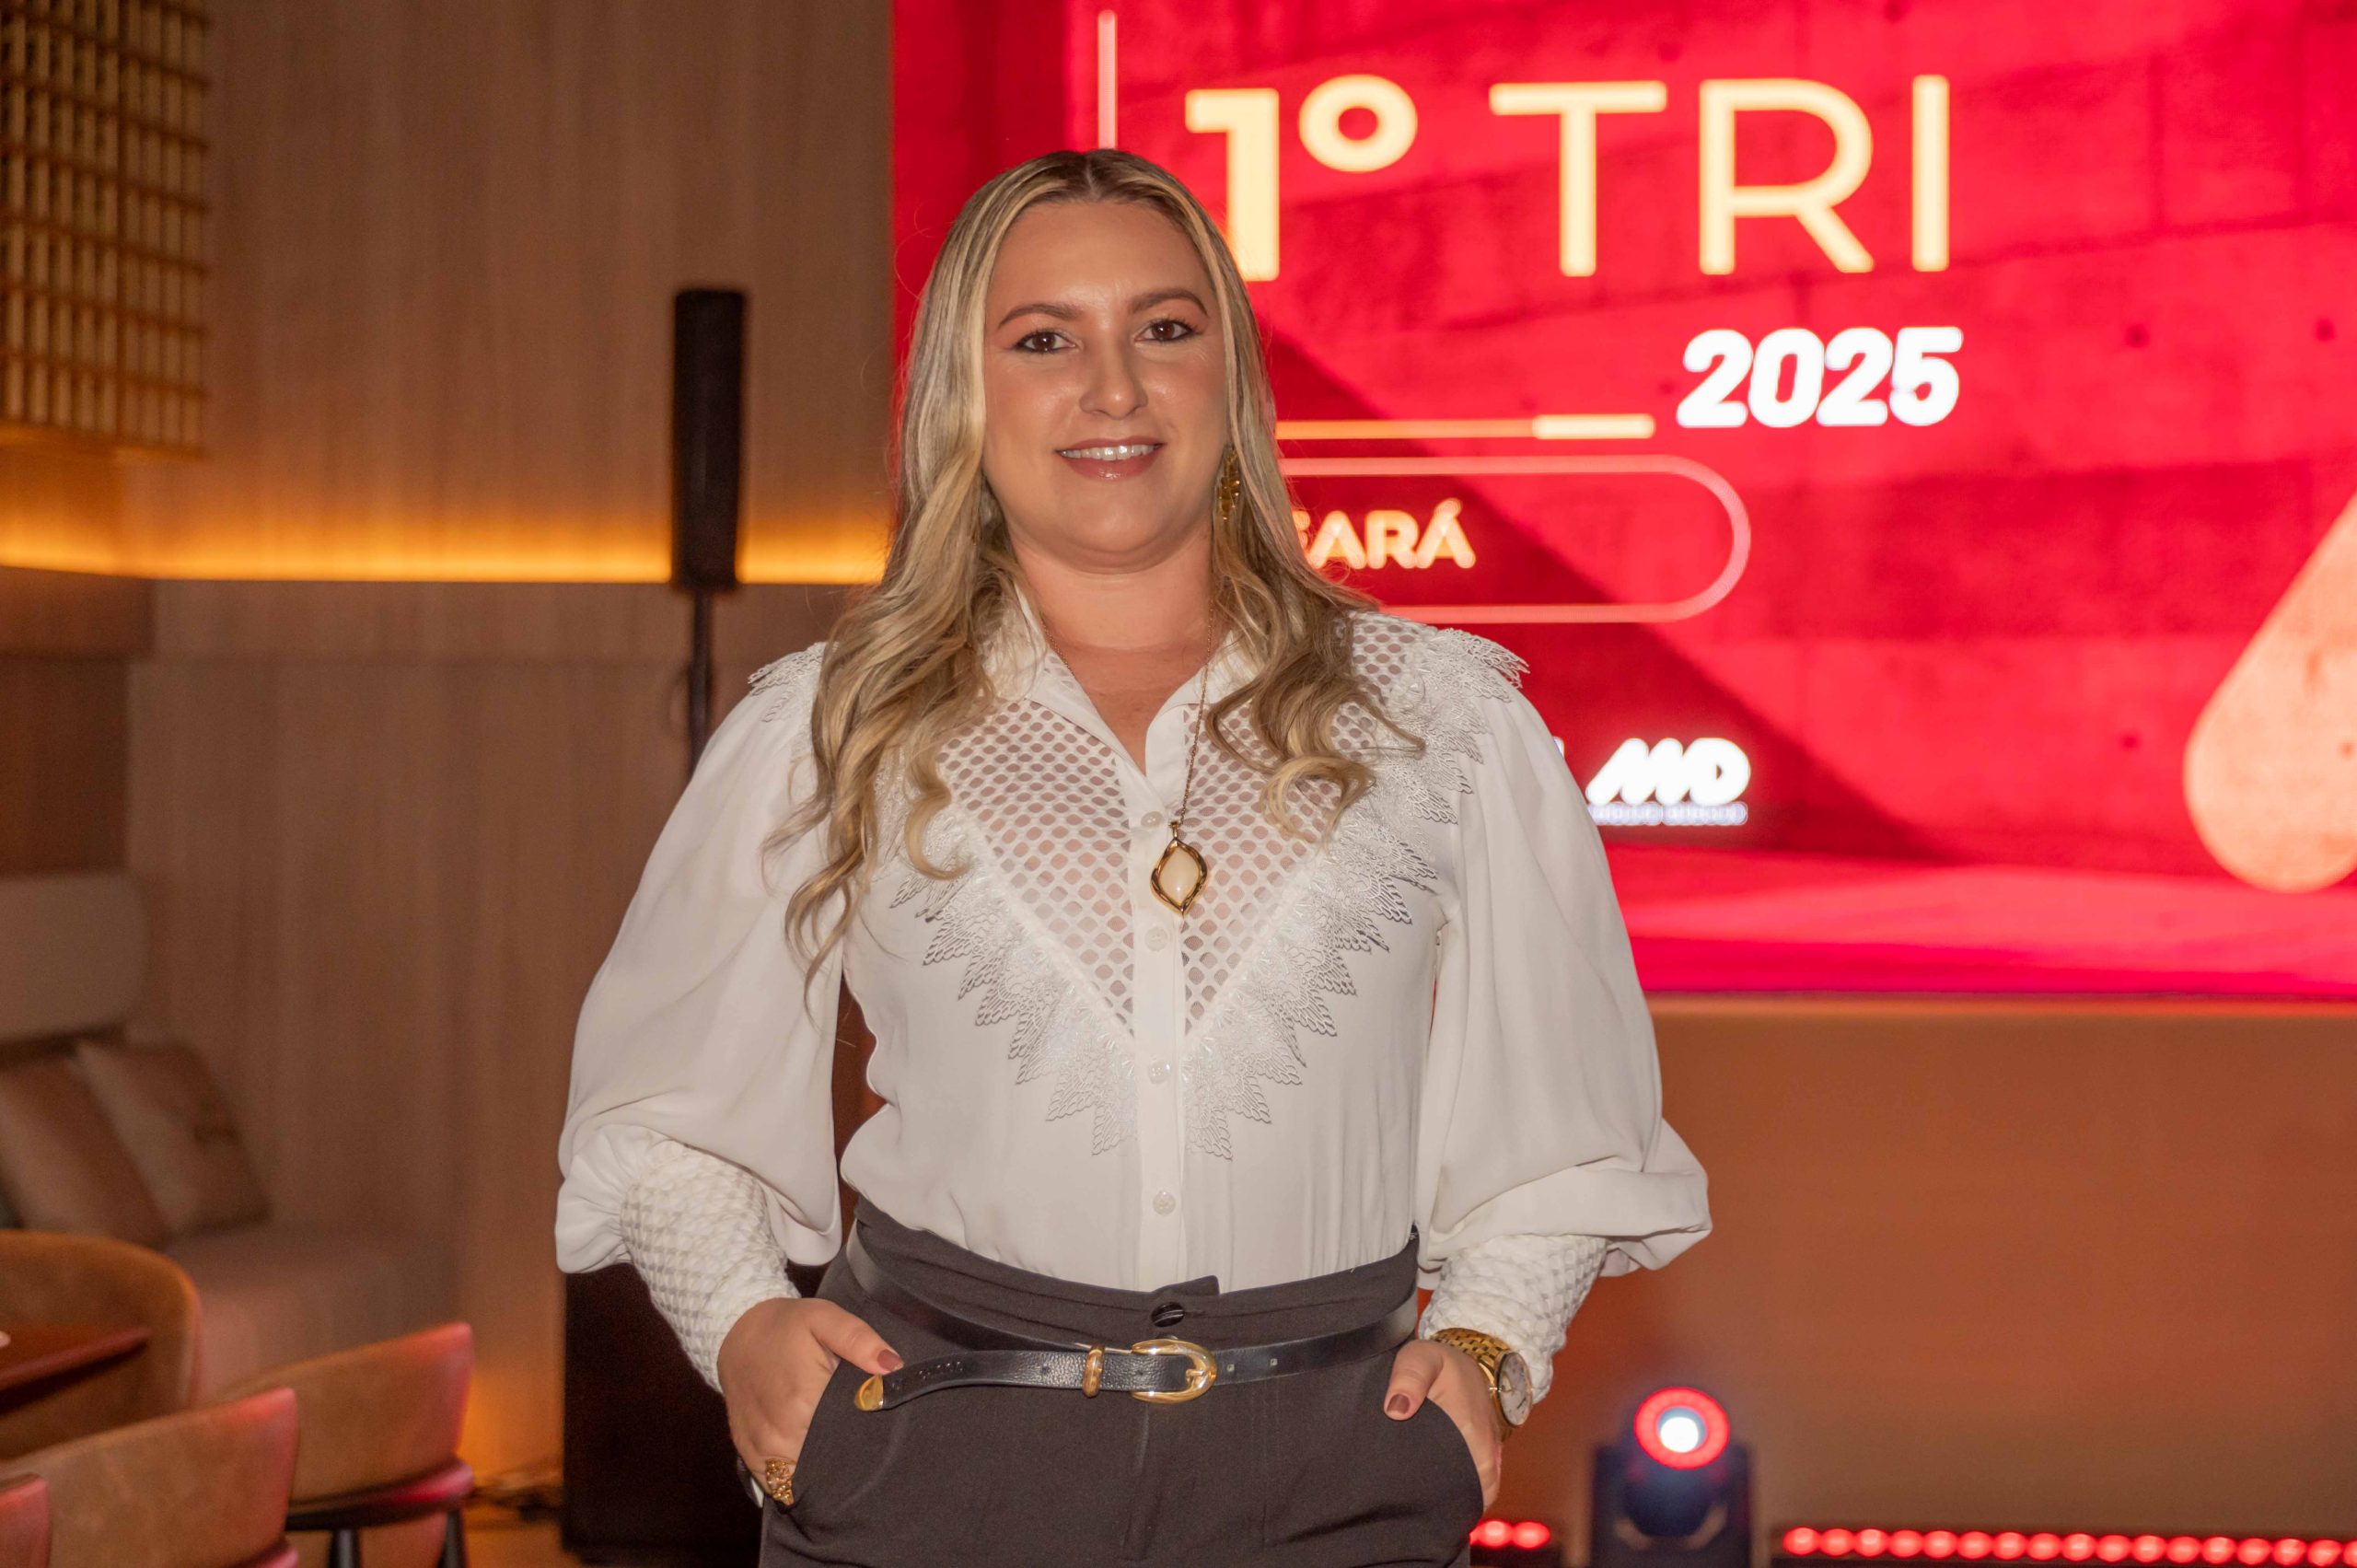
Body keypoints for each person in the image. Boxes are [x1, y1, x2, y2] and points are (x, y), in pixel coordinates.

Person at [554, 146, 1711, 1568]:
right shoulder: (827, 724)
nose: (1113, 388)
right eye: (1044, 340)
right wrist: (740, 1322)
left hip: (1334, 1469)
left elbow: (1565, 1133)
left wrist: (1489, 1348)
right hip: (932, 1453)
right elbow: (667, 1116)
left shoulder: (1445, 720)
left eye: (1164, 328)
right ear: (965, 393)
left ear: (1231, 377)